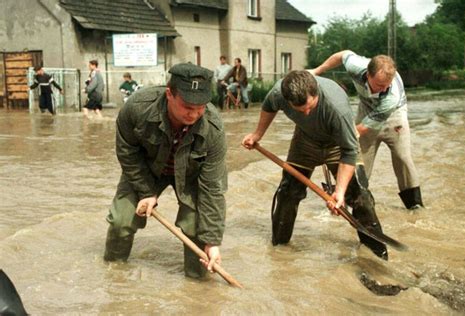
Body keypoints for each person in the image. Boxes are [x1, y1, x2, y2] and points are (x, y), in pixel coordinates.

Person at [242, 70, 388, 260]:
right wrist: (257, 134)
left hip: (337, 143)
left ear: (316, 93)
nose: (307, 113)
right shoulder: (279, 92)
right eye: (300, 110)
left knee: (361, 197)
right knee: (287, 193)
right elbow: (269, 106)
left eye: (310, 107)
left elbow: (350, 151)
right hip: (306, 141)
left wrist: (340, 193)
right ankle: (279, 252)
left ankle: (376, 256)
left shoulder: (337, 108)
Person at [104, 63, 228, 278]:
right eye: (188, 107)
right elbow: (127, 152)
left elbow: (212, 188)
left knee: (197, 230)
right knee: (121, 221)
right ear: (169, 94)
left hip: (191, 175)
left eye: (201, 108)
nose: (195, 114)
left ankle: (197, 287)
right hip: (147, 168)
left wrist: (212, 240)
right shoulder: (137, 108)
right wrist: (145, 192)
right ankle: (113, 275)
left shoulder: (213, 129)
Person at [311, 51, 424, 210]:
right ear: (368, 75)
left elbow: (362, 128)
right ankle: (352, 201)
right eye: (379, 84)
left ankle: (414, 205)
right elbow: (343, 55)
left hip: (394, 117)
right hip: (365, 109)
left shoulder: (392, 96)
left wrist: (340, 137)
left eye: (387, 84)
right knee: (357, 159)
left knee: (403, 157)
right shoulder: (356, 66)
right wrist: (317, 71)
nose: (384, 88)